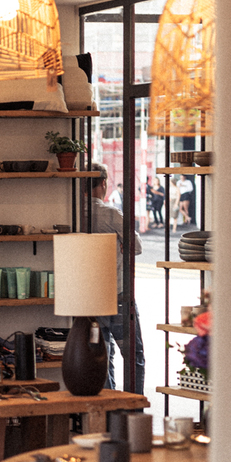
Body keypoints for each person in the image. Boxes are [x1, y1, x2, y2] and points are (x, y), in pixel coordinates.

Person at [89, 163, 145, 394]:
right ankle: (133, 410)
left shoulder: (74, 213)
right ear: (103, 183)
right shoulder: (110, 214)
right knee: (134, 356)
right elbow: (138, 247)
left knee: (102, 358)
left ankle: (109, 414)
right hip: (119, 295)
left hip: (91, 300)